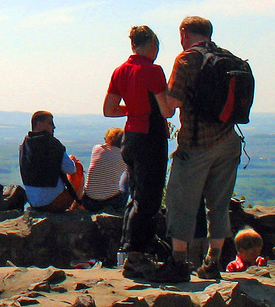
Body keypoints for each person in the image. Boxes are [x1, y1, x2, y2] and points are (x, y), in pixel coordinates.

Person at [165, 16, 246, 280]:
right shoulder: (229, 57)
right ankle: (213, 263)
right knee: (219, 205)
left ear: (184, 32)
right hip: (230, 140)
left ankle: (178, 263)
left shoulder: (187, 59)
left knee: (180, 200)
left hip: (197, 143)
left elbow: (170, 105)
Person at [105, 25, 184, 282]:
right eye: (157, 46)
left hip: (130, 137)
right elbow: (166, 111)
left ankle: (128, 252)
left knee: (136, 196)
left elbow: (109, 109)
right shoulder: (153, 70)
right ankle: (137, 256)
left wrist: (133, 109)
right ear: (151, 45)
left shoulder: (121, 70)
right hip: (151, 137)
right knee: (148, 200)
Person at [19, 111, 79, 212]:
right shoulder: (52, 144)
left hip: (33, 202)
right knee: (78, 169)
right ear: (39, 124)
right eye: (50, 123)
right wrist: (73, 161)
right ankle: (78, 207)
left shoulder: (24, 145)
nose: (54, 127)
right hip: (53, 203)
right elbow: (71, 169)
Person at [82, 127, 128, 214]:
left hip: (88, 202)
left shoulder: (97, 149)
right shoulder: (124, 157)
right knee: (128, 174)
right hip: (111, 202)